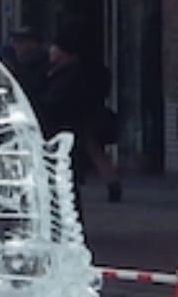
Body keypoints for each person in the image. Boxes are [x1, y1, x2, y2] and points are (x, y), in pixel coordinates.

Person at [37, 34, 121, 205]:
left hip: (77, 123)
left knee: (88, 151)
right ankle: (112, 183)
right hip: (85, 120)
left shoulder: (71, 74)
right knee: (94, 151)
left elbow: (60, 101)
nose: (51, 51)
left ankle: (111, 184)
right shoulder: (75, 71)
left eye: (55, 48)